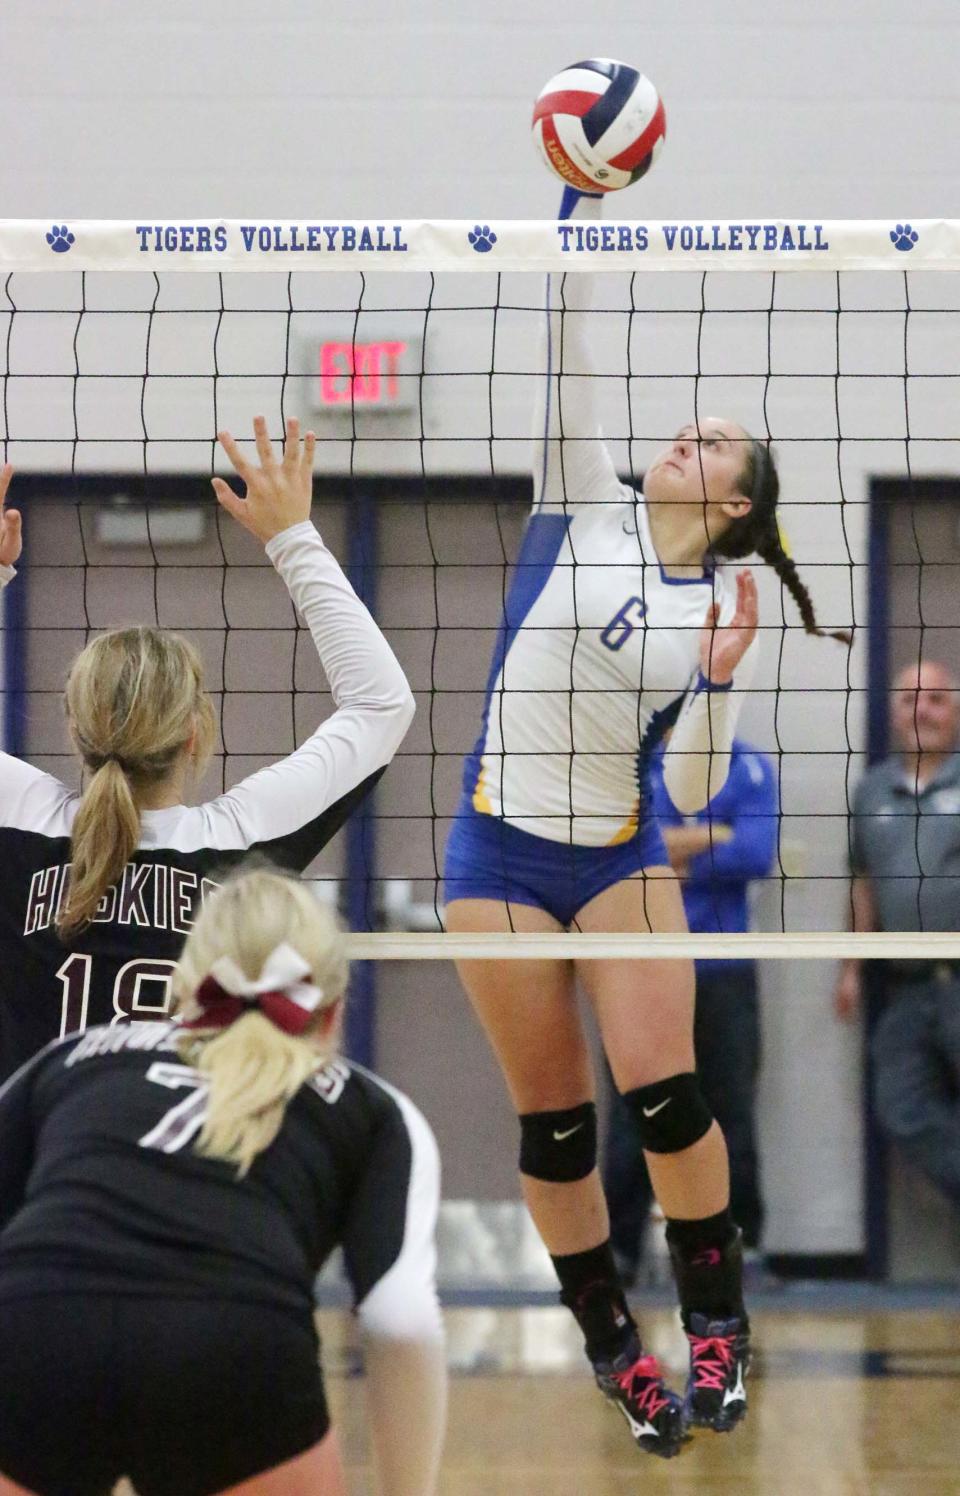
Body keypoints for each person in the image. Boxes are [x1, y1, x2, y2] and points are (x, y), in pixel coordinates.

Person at [444, 185, 848, 1458]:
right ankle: (616, 1345)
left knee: (668, 1101)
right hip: (497, 852)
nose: (690, 435)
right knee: (557, 1129)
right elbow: (567, 356)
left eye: (716, 440)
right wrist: (571, 216)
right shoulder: (585, 502)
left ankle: (715, 1325)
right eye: (691, 425)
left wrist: (721, 685)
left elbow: (683, 797)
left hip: (618, 853)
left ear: (737, 501)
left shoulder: (709, 608)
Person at [0, 868, 446, 1496]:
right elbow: (401, 1323)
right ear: (336, 1010)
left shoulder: (72, 1055)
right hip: (234, 1347)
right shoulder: (375, 1111)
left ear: (183, 984)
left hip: (38, 1325)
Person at [0, 419, 415, 1081]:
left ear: (75, 731)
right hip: (186, 1168)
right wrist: (293, 537)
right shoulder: (238, 844)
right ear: (195, 734)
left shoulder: (20, 824)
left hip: (35, 1168)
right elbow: (381, 705)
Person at [603, 737, 779, 1284]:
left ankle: (741, 1246)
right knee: (635, 1113)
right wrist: (708, 837)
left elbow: (753, 853)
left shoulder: (746, 765)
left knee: (731, 1110)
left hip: (722, 966)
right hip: (643, 963)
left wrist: (666, 852)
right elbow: (618, 854)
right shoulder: (631, 764)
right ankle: (621, 1252)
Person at [834, 658, 960, 1212]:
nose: (922, 710)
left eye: (935, 699)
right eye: (909, 698)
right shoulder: (871, 791)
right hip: (904, 986)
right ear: (891, 711)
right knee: (902, 1109)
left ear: (955, 712)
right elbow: (863, 883)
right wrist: (852, 967)